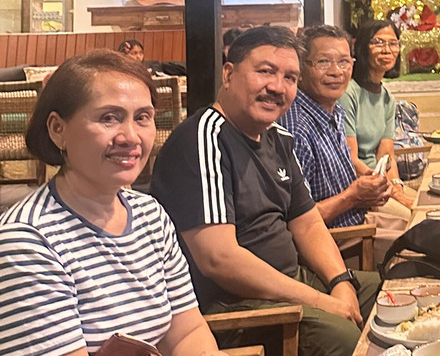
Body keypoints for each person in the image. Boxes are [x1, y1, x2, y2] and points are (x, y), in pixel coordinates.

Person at [150, 26, 380, 356]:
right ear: (228, 74)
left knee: (387, 291)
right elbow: (219, 260)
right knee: (343, 336)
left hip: (292, 282)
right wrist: (321, 301)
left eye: (290, 77)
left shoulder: (278, 137)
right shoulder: (203, 139)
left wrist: (340, 282)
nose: (277, 87)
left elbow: (308, 223)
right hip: (237, 306)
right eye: (265, 71)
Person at [0, 51, 226, 356]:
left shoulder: (150, 215)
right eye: (109, 118)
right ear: (57, 129)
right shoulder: (27, 240)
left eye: (142, 117)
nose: (131, 137)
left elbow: (187, 332)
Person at [279, 25, 392, 228]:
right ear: (300, 70)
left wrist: (369, 185)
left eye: (344, 62)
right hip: (342, 238)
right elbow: (297, 220)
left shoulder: (335, 111)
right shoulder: (296, 129)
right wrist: (353, 196)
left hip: (361, 219)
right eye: (323, 62)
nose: (336, 72)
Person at [337, 20, 413, 212]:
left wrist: (396, 186)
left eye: (393, 43)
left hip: (382, 183)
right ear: (363, 47)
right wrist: (390, 191)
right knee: (413, 217)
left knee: (432, 206)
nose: (387, 50)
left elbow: (386, 156)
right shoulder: (348, 93)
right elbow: (351, 160)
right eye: (378, 42)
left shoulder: (387, 99)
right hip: (361, 188)